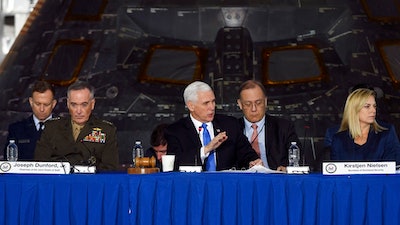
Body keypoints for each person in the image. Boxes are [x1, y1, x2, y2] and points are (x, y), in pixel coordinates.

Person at [165, 81, 262, 171]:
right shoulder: (175, 131)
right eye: (206, 103)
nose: (212, 107)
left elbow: (246, 153)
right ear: (191, 106)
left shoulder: (230, 124)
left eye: (213, 101)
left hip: (226, 185)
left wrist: (253, 161)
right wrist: (206, 149)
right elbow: (175, 163)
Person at [34, 81, 119, 171]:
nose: (79, 111)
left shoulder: (107, 130)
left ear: (92, 104)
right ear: (67, 104)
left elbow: (110, 169)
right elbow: (40, 165)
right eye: (74, 105)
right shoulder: (52, 128)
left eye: (84, 105)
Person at [237, 80, 302, 172]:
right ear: (240, 104)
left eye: (258, 103)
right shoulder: (233, 128)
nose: (254, 109)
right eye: (248, 104)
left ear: (266, 101)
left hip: (275, 181)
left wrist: (286, 169)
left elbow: (296, 157)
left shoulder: (284, 127)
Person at [330, 88, 400, 163]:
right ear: (354, 109)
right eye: (367, 106)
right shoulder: (339, 140)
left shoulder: (386, 134)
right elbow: (336, 171)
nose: (373, 110)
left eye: (374, 106)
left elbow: (392, 168)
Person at [4, 80, 57, 160]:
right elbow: (8, 163)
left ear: (53, 104)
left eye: (46, 104)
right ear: (31, 102)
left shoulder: (65, 129)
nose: (42, 109)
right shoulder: (16, 130)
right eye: (38, 104)